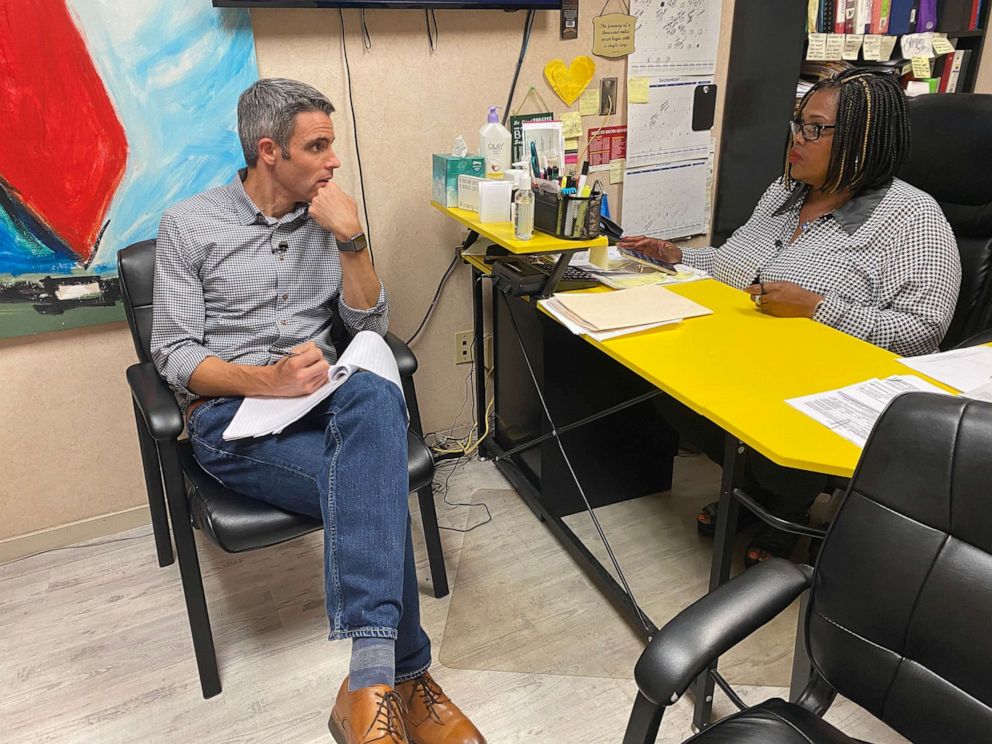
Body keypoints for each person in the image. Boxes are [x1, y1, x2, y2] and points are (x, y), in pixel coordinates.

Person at [150, 78, 485, 744]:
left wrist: (354, 240)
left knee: (372, 388)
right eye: (318, 146)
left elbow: (368, 322)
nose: (334, 161)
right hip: (230, 421)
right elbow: (174, 355)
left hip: (327, 400)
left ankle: (366, 688)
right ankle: (404, 677)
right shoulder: (190, 225)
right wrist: (266, 381)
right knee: (375, 486)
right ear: (269, 151)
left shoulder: (328, 218)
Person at [619, 68, 961, 565]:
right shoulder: (784, 193)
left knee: (756, 422)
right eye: (798, 123)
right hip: (743, 359)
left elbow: (923, 329)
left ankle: (788, 502)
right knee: (659, 380)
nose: (797, 138)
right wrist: (677, 257)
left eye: (815, 128)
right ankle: (759, 492)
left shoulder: (912, 217)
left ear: (863, 140)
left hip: (822, 384)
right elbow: (732, 267)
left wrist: (818, 309)